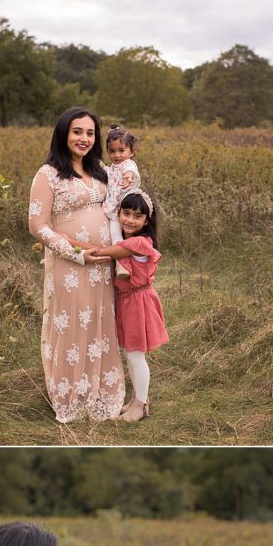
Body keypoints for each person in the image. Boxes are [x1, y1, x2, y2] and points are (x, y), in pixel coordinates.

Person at [29, 108, 128, 424]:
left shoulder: (99, 169)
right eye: (77, 131)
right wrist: (74, 251)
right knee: (73, 326)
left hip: (103, 264)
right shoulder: (48, 175)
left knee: (101, 324)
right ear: (63, 133)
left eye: (89, 133)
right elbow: (37, 226)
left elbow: (125, 197)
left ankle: (101, 391)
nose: (84, 138)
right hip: (71, 266)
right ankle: (72, 397)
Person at [90, 191, 168, 422]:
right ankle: (135, 399)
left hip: (138, 302)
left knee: (135, 356)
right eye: (126, 213)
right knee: (129, 354)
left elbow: (103, 253)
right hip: (127, 301)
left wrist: (72, 244)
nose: (130, 220)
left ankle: (141, 404)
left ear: (147, 221)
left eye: (137, 216)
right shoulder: (127, 240)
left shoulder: (138, 243)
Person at [101, 127, 142, 280]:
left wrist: (128, 177)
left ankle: (121, 264)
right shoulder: (112, 168)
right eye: (112, 151)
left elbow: (129, 170)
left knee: (118, 237)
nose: (117, 155)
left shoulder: (128, 165)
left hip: (125, 210)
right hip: (114, 211)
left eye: (121, 150)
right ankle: (124, 263)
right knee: (116, 236)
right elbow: (106, 173)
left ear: (131, 152)